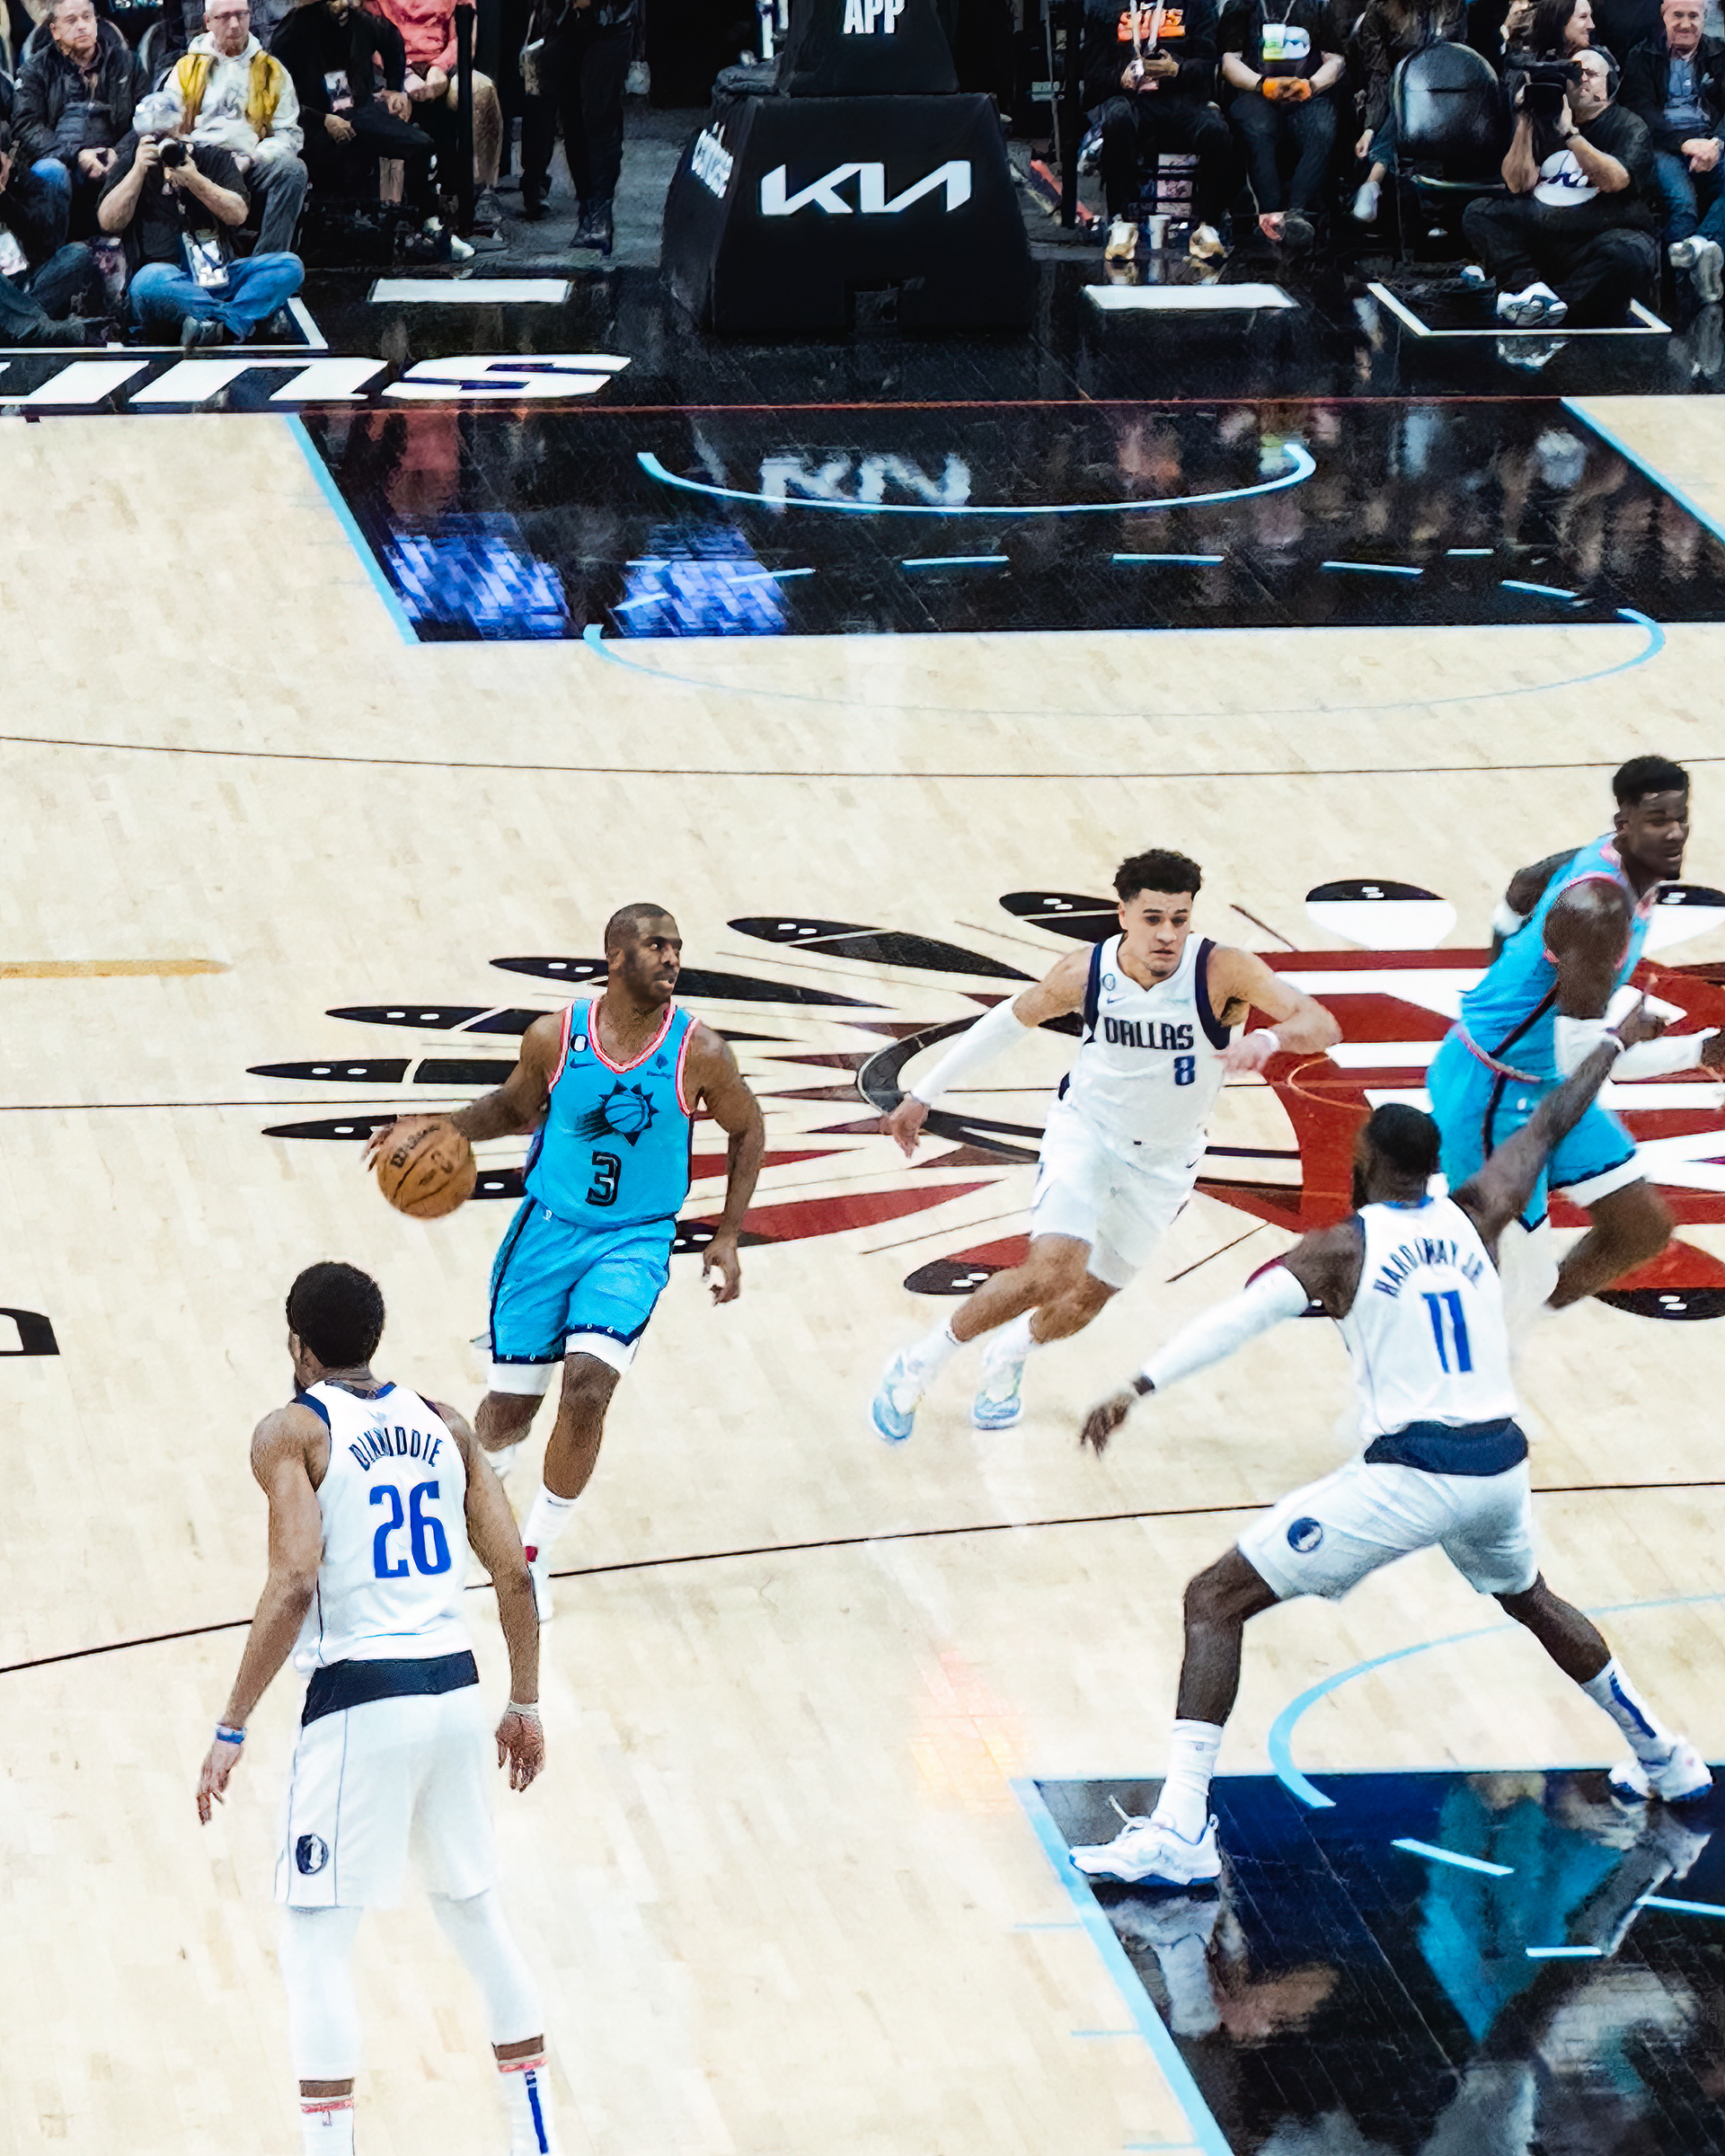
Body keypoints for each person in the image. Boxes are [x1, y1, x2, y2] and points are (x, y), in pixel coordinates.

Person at [1069, 1011, 1712, 1890]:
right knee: (1528, 1597)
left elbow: (1236, 1320)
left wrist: (1136, 1386)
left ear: (1365, 1162)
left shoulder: (1340, 1250)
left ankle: (1181, 1829)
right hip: (1501, 1466)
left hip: (1417, 1473)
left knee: (1214, 1601)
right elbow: (1552, 1119)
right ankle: (1667, 1756)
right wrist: (1617, 1040)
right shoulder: (1479, 1211)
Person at [194, 1262, 558, 2156]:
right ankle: (537, 2142)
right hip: (455, 1690)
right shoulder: (447, 1424)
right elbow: (514, 1573)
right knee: (478, 1919)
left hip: (361, 1701)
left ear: (298, 1345)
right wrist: (524, 1699)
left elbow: (294, 1581)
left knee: (314, 1945)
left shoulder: (292, 1431)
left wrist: (231, 1724)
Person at [365, 903, 765, 1621]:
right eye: (656, 945)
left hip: (634, 1240)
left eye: (677, 947)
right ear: (616, 957)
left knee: (586, 1388)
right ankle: (467, 1514)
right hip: (546, 1233)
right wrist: (435, 1128)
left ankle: (532, 1553)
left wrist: (728, 1233)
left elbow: (748, 1128)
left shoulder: (700, 1052)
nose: (672, 958)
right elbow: (511, 1108)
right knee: (508, 1412)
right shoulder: (556, 1036)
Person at [869, 849, 1341, 1441]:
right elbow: (1009, 1020)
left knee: (1086, 1300)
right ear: (1123, 915)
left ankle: (1009, 1354)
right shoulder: (1085, 973)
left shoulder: (1224, 970)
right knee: (1051, 1272)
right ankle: (918, 1364)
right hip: (1087, 1133)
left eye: (1179, 918)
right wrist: (924, 1093)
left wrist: (1269, 1041)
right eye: (1153, 918)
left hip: (1167, 1160)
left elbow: (1322, 1023)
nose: (1167, 934)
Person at [1428, 754, 1722, 1310]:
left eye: (1681, 817)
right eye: (1657, 820)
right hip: (1495, 1092)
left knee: (1639, 1229)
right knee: (1516, 1279)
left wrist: (1502, 971)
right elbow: (1584, 1060)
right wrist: (1702, 1050)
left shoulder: (1615, 861)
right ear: (1624, 824)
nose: (1675, 833)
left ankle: (1511, 1329)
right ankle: (1464, 1340)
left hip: (1548, 1085)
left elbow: (1523, 885)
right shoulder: (1599, 908)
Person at [1463, 48, 1658, 325]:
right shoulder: (1544, 118)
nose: (1582, 79)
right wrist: (1525, 120)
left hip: (1597, 235)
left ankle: (1551, 304)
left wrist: (1570, 135)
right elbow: (1517, 184)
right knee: (1479, 213)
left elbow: (1616, 180)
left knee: (1631, 254)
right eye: (1574, 73)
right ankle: (1528, 288)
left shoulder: (1629, 125)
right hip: (1544, 233)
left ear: (1610, 86)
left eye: (1591, 74)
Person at [98, 126, 305, 346]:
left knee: (289, 265)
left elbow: (237, 214)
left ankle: (216, 324)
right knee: (147, 282)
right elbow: (108, 222)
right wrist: (138, 171)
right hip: (169, 282)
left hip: (221, 275)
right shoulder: (133, 162)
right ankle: (234, 320)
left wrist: (195, 179)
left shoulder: (215, 158)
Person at [138, 0, 310, 254]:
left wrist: (251, 158)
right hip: (201, 161)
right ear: (208, 22)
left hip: (250, 161)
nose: (235, 24)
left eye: (241, 15)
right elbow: (168, 123)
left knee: (293, 171)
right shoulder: (186, 69)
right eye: (225, 17)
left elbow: (288, 134)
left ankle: (268, 262)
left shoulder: (271, 71)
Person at [1082, 0, 1234, 265]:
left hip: (1181, 100)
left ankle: (1208, 225)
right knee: (1118, 119)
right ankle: (1121, 221)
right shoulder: (1106, 6)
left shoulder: (1196, 5)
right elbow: (1092, 75)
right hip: (1128, 99)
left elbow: (1207, 65)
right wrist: (1121, 77)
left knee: (1217, 130)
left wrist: (1177, 69)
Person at [270, 0, 439, 223]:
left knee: (421, 144)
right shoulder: (293, 31)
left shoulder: (360, 22)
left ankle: (425, 221)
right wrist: (321, 119)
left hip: (360, 113)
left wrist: (395, 88)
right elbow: (276, 97)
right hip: (313, 122)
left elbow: (391, 39)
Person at [11, 0, 147, 245]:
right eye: (71, 20)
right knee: (50, 171)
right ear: (55, 31)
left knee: (146, 159)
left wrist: (119, 154)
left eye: (87, 17)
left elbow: (146, 118)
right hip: (62, 161)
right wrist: (76, 156)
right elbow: (26, 126)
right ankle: (53, 259)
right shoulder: (36, 69)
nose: (82, 26)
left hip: (116, 160)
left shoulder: (128, 63)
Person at [371, 0, 507, 231]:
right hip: (392, 67)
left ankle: (482, 191)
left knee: (481, 91)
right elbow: (369, 35)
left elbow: (464, 34)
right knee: (392, 105)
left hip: (445, 64)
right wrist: (403, 73)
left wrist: (439, 68)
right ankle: (390, 206)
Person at [1220, 0, 1349, 243]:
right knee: (1258, 129)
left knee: (1322, 128)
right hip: (1255, 90)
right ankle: (1269, 212)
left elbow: (1336, 59)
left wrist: (1312, 85)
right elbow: (1229, 61)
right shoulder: (1242, 5)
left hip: (1307, 91)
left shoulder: (1319, 5)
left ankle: (1298, 212)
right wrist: (1261, 84)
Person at [1621, 0, 1725, 296]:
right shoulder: (1642, 54)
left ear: (1704, 18)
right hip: (1662, 144)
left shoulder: (1720, 53)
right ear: (1663, 17)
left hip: (1710, 140)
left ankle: (1698, 247)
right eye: (1677, 15)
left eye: (1693, 16)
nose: (1685, 24)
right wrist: (1684, 143)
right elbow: (1641, 109)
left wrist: (1716, 144)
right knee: (1682, 203)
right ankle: (1685, 295)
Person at [518, 0, 635, 251]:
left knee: (601, 118)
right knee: (572, 121)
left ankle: (600, 214)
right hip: (563, 21)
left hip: (609, 22)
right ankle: (587, 210)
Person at [1348, 0, 1466, 222]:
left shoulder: (1452, 4)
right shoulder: (1381, 8)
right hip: (1399, 88)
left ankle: (1373, 182)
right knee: (1406, 98)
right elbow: (1379, 74)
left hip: (1444, 86)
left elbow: (1457, 55)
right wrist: (1371, 126)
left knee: (1416, 99)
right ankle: (1383, 187)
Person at [0, 115, 102, 340]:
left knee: (78, 254)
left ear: (9, 160)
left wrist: (4, 198)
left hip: (31, 288)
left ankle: (23, 327)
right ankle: (33, 328)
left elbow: (44, 240)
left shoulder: (27, 185)